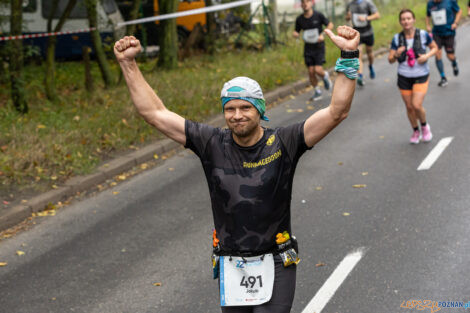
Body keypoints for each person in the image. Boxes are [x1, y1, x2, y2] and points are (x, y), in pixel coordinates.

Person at [114, 25, 360, 313]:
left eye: (245, 108)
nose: (237, 115)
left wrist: (349, 54)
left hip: (277, 260)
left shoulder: (284, 142)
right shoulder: (211, 143)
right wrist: (128, 64)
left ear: (260, 110)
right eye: (229, 109)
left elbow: (336, 112)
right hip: (231, 263)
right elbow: (155, 114)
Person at [389, 9, 437, 144]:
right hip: (404, 76)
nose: (406, 21)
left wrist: (426, 56)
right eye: (403, 19)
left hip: (421, 74)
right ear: (400, 22)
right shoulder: (397, 38)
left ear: (414, 20)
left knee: (416, 105)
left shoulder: (423, 34)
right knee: (409, 107)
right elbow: (390, 60)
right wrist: (397, 54)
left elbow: (435, 47)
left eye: (408, 18)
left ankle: (425, 127)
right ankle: (416, 131)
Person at [293, 0, 334, 101]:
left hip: (319, 47)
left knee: (317, 70)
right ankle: (317, 91)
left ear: (311, 3)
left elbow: (330, 25)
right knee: (311, 71)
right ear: (301, 5)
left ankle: (325, 76)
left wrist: (322, 35)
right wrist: (295, 34)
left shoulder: (318, 15)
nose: (305, 4)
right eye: (303, 2)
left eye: (307, 1)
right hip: (308, 48)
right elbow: (296, 31)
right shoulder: (299, 19)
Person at [425, 0, 462, 87]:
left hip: (449, 32)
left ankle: (454, 62)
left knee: (450, 55)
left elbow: (459, 11)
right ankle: (443, 78)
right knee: (437, 53)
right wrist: (428, 25)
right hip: (436, 33)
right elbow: (427, 15)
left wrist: (455, 23)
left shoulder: (450, 1)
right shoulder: (430, 4)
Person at [346, 0, 380, 86]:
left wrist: (366, 18)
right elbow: (347, 18)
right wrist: (348, 16)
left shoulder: (368, 2)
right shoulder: (350, 4)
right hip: (357, 33)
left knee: (369, 52)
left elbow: (377, 15)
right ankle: (360, 76)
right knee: (358, 55)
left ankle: (371, 66)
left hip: (368, 32)